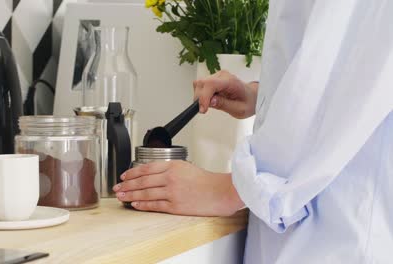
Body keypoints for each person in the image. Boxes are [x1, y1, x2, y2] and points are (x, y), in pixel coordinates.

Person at [114, 1, 393, 263]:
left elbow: (355, 69)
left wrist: (226, 189)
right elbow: (342, 62)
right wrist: (261, 95)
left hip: (338, 233)